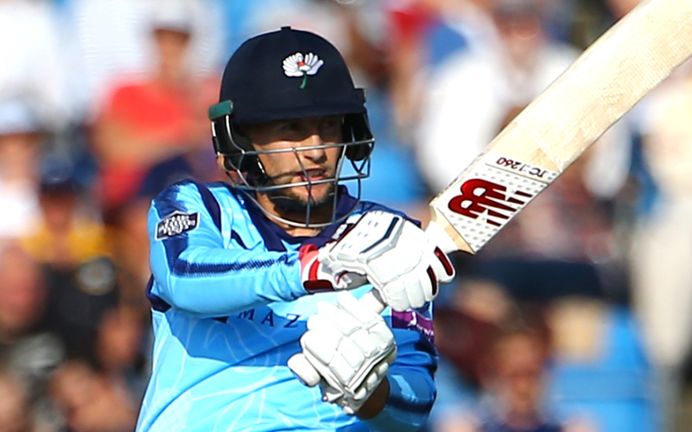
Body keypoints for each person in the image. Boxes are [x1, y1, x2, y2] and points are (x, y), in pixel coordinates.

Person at [136, 27, 455, 431]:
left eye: (328, 126)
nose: (316, 150)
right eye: (290, 129)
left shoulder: (388, 237)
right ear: (240, 140)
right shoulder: (199, 207)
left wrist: (371, 394)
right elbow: (184, 277)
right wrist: (316, 269)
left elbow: (415, 404)